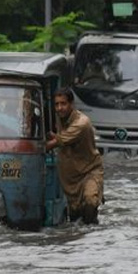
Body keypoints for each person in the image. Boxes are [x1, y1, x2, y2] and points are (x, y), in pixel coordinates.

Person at [45, 88, 104, 224]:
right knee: (75, 218)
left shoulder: (81, 123)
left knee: (90, 202)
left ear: (72, 104)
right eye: (57, 104)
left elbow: (56, 142)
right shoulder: (59, 118)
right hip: (71, 179)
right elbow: (62, 138)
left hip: (89, 172)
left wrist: (34, 148)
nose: (60, 108)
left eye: (63, 104)